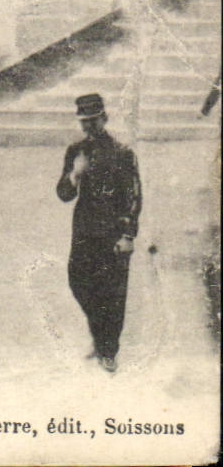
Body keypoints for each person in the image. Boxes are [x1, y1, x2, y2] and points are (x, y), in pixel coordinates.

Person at [56, 93, 141, 373]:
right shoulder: (75, 151)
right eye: (84, 122)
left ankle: (108, 350)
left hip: (113, 230)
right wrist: (74, 175)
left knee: (113, 291)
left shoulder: (122, 151)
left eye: (93, 121)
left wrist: (128, 235)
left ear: (104, 118)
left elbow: (133, 196)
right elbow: (64, 194)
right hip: (84, 229)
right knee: (78, 281)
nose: (88, 127)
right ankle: (101, 335)